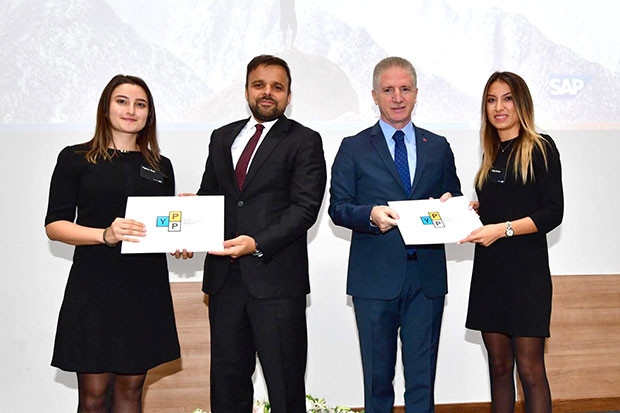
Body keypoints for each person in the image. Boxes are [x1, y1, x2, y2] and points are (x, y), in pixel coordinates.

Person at [329, 56, 462, 412]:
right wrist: (371, 216)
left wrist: (451, 207)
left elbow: (454, 197)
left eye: (405, 89)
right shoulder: (353, 147)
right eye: (388, 90)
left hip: (426, 279)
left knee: (422, 383)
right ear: (374, 96)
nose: (398, 97)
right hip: (374, 281)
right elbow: (338, 207)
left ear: (416, 93)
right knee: (377, 383)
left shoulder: (438, 146)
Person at [196, 54, 326, 412]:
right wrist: (190, 226)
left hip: (277, 282)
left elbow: (305, 208)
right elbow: (211, 197)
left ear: (288, 95)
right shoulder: (221, 137)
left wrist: (257, 244)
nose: (267, 92)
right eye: (259, 85)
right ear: (246, 90)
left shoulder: (304, 140)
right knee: (227, 385)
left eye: (277, 87)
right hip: (224, 283)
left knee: (284, 387)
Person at [44, 75, 180, 413]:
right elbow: (55, 226)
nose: (131, 110)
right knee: (93, 397)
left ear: (149, 114)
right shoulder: (76, 158)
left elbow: (161, 227)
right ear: (106, 108)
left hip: (144, 289)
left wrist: (181, 240)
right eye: (122, 101)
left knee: (131, 393)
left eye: (140, 104)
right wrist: (104, 234)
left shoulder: (160, 166)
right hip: (95, 287)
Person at [459, 72, 563, 413]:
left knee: (530, 372)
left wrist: (502, 229)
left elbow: (552, 212)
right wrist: (472, 210)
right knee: (499, 367)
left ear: (522, 104)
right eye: (491, 100)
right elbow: (506, 204)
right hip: (490, 274)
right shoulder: (491, 154)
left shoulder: (540, 147)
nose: (499, 107)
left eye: (507, 99)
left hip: (527, 276)